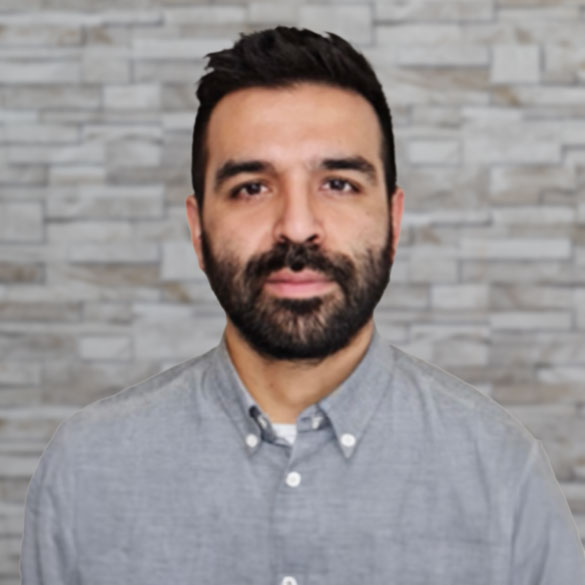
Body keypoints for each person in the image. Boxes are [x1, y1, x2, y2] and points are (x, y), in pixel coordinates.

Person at [21, 26, 585, 585]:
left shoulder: (504, 472)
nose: (296, 226)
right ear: (198, 231)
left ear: (393, 221)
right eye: (251, 187)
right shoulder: (84, 470)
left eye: (338, 184)